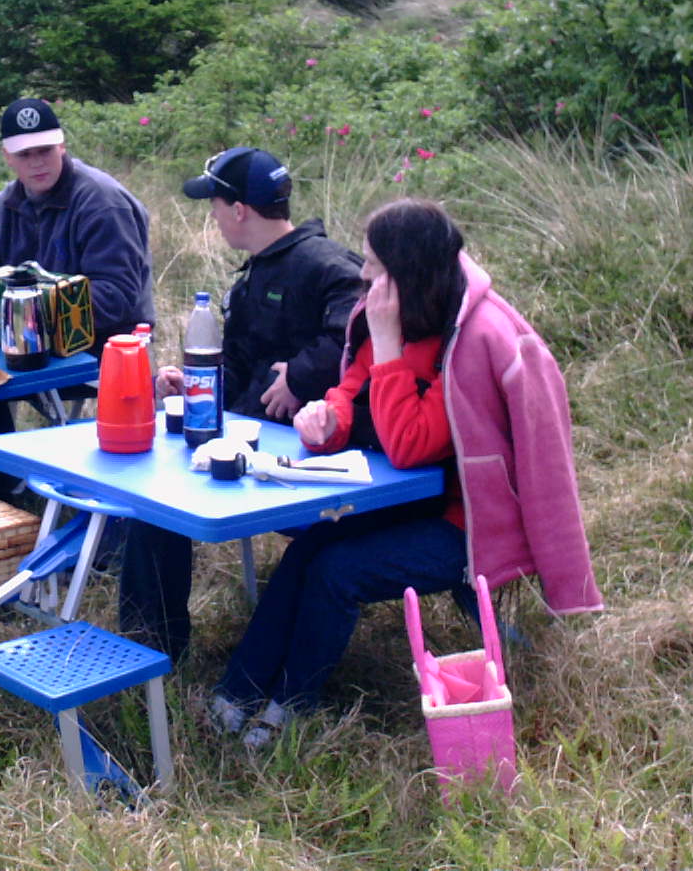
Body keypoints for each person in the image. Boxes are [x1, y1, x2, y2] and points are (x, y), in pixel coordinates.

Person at [211, 198, 603, 749]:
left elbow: (411, 444)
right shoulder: (393, 317)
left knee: (336, 572)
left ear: (407, 274)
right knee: (308, 549)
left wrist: (389, 345)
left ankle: (289, 709)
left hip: (469, 527)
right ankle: (237, 693)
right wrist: (327, 420)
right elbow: (352, 388)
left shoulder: (468, 340)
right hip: (406, 502)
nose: (364, 278)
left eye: (374, 266)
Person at [120, 146, 364, 660]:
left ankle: (152, 649)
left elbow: (361, 327)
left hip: (309, 456)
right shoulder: (255, 273)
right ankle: (150, 648)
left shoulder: (324, 262)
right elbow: (238, 365)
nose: (211, 215)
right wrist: (195, 385)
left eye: (214, 203)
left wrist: (302, 374)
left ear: (238, 210)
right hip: (248, 439)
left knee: (158, 502)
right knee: (151, 501)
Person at [0, 98, 155, 343]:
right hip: (27, 338)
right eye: (24, 154)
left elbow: (116, 295)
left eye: (45, 150)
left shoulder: (103, 203)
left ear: (61, 146)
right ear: (8, 157)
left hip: (108, 345)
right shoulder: (4, 204)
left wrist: (28, 307)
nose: (37, 163)